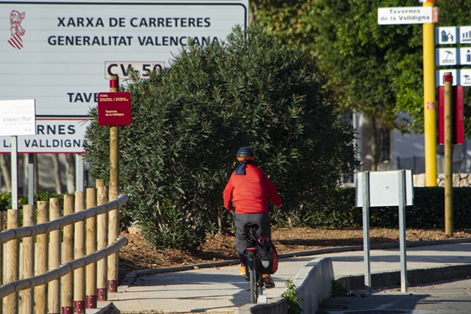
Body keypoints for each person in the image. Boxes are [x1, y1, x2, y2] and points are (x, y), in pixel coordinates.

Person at [223, 147, 282, 289]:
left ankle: (243, 265)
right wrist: (277, 204)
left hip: (241, 214)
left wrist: (229, 207)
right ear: (253, 158)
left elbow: (227, 193)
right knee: (264, 241)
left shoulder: (235, 175)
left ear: (238, 159)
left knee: (241, 236)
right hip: (260, 214)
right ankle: (265, 274)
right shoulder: (259, 173)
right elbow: (272, 190)